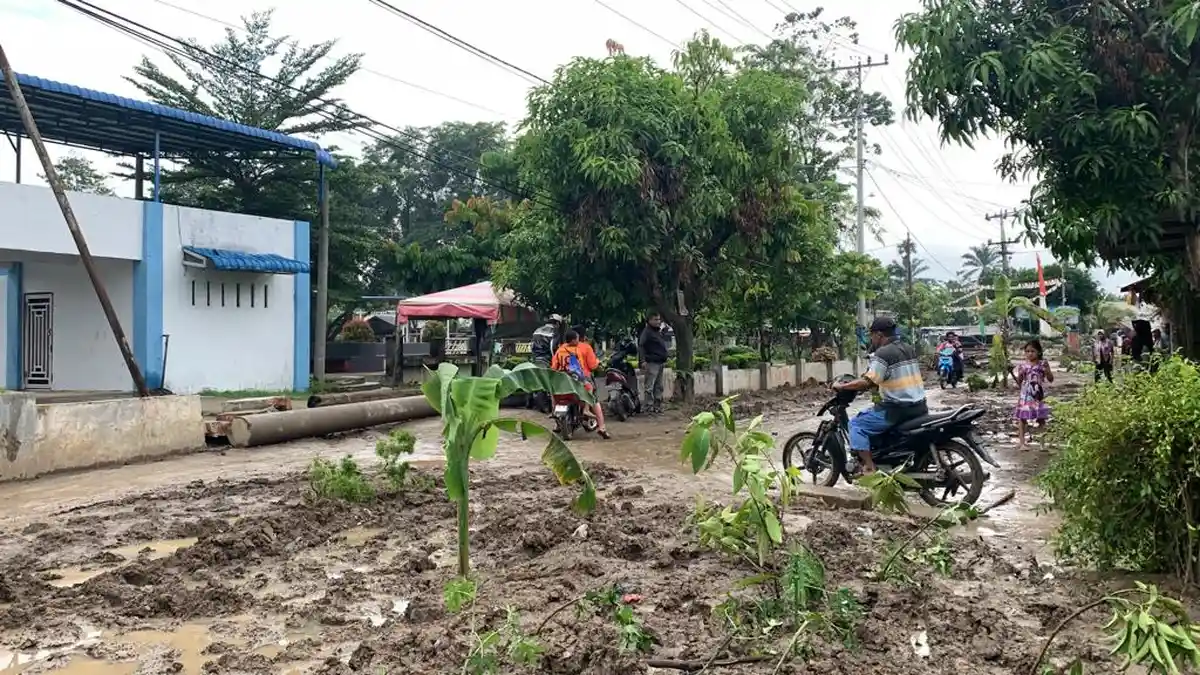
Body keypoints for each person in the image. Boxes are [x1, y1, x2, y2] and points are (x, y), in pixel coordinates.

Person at [832, 317, 928, 475]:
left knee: (857, 425)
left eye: (871, 336)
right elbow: (889, 375)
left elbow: (868, 381)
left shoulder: (883, 353)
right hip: (919, 406)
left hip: (896, 409)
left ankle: (869, 466)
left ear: (878, 335)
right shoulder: (908, 348)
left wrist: (843, 386)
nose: (871, 339)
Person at [551, 330, 610, 439]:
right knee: (594, 399)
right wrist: (597, 362)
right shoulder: (583, 348)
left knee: (554, 391)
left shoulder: (560, 349)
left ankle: (554, 414)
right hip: (580, 379)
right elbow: (591, 366)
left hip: (562, 379)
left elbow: (554, 367)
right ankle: (601, 426)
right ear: (576, 339)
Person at [1014, 339, 1054, 451]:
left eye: (1032, 351)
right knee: (1022, 418)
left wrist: (1047, 371)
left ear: (1038, 352)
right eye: (1027, 351)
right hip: (1025, 395)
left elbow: (1050, 379)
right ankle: (1022, 443)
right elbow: (1019, 381)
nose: (1030, 354)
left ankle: (1042, 444)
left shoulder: (1043, 364)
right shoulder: (1023, 366)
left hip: (1038, 395)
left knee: (1041, 419)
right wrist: (1020, 375)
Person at [638, 313, 669, 414]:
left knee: (659, 386)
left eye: (659, 319)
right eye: (655, 320)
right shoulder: (647, 332)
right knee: (649, 386)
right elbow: (641, 346)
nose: (658, 322)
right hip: (652, 362)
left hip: (660, 362)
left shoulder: (657, 331)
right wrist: (642, 361)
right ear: (649, 320)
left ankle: (657, 406)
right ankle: (648, 407)